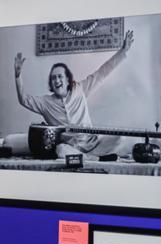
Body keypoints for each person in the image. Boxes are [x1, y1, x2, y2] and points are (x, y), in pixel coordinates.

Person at [14, 30, 134, 160]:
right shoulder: (45, 103)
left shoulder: (80, 89)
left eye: (60, 77)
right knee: (60, 150)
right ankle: (97, 159)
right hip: (72, 147)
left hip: (93, 142)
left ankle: (89, 156)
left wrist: (122, 51)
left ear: (67, 80)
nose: (57, 81)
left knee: (121, 139)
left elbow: (102, 73)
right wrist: (17, 76)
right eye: (53, 78)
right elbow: (24, 99)